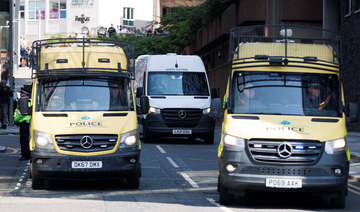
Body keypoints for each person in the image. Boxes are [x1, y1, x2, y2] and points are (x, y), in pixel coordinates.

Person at [14, 87, 31, 160]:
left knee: (24, 140)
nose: (20, 94)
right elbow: (17, 111)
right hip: (23, 122)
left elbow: (22, 113)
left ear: (25, 94)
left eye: (22, 93)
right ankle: (26, 154)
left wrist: (16, 119)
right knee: (24, 139)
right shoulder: (23, 101)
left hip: (24, 122)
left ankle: (26, 155)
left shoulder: (25, 101)